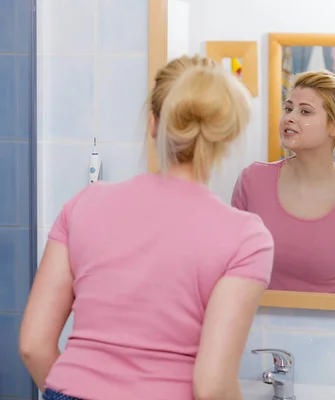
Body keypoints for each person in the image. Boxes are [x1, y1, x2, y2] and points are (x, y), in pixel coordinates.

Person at [19, 55, 274, 400]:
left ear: (155, 123)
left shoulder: (85, 204)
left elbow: (33, 345)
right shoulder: (246, 237)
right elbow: (212, 386)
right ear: (227, 136)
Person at [231, 70, 335, 296]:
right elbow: (234, 267)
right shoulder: (252, 181)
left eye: (305, 111)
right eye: (288, 108)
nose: (289, 117)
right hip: (260, 328)